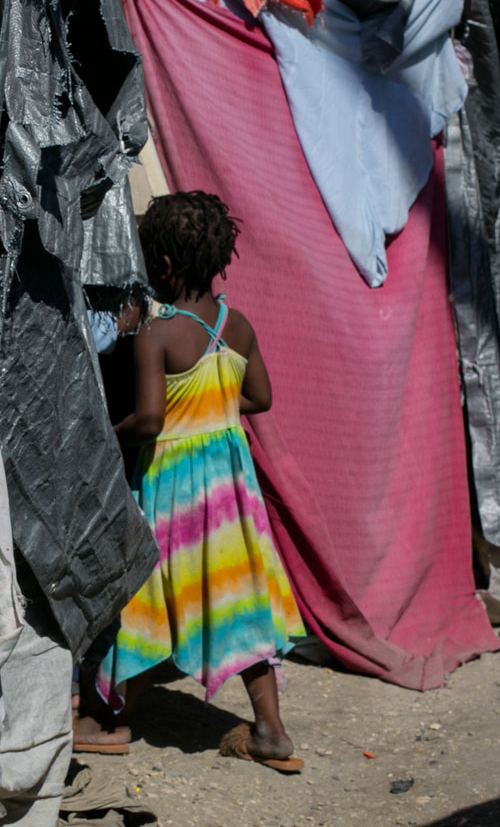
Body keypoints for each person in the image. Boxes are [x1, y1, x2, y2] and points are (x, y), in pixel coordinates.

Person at [73, 190, 306, 773]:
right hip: (230, 493)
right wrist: (212, 410)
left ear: (165, 266)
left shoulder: (159, 333)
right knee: (235, 599)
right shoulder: (238, 324)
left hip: (175, 490)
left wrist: (103, 436)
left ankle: (106, 719)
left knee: (153, 599)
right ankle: (271, 731)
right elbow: (260, 396)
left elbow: (150, 419)